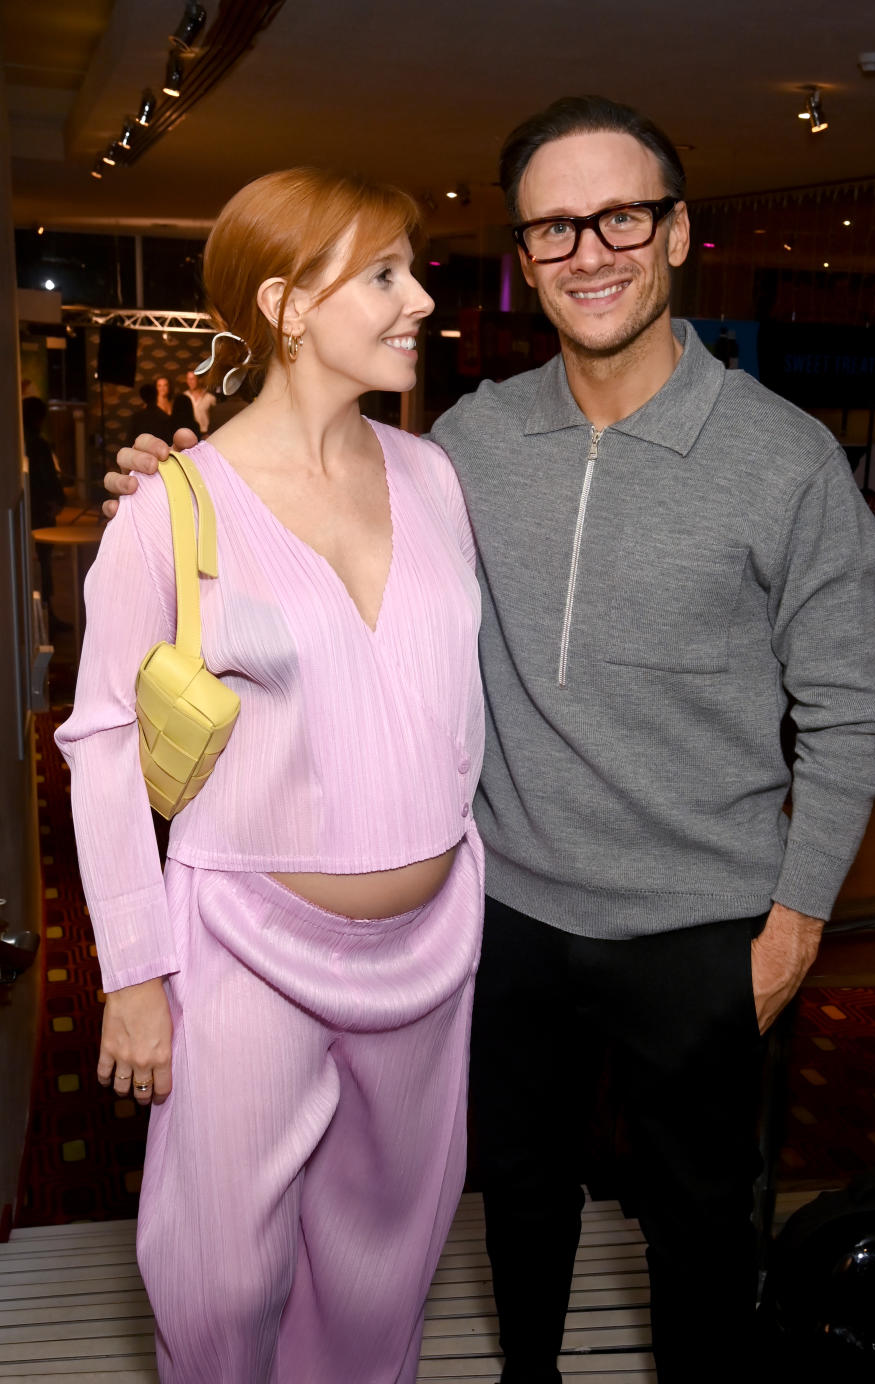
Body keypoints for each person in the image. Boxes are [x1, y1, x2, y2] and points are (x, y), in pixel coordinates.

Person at [106, 95, 875, 1383]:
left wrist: (798, 917)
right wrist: (177, 483)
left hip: (701, 925)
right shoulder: (466, 444)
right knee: (513, 1207)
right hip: (504, 917)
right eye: (554, 228)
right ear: (526, 258)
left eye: (622, 216)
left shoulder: (787, 460)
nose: (591, 250)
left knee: (700, 1226)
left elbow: (856, 707)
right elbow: (317, 498)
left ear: (681, 232)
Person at [61, 166, 484, 1384]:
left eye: (418, 270)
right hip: (242, 938)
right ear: (288, 307)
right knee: (219, 1272)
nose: (420, 303)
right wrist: (135, 972)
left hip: (433, 946)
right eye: (386, 275)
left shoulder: (432, 475)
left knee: (382, 1263)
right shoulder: (170, 508)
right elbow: (97, 742)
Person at [23, 395, 67, 625]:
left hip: (26, 509)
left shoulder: (16, 443)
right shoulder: (39, 445)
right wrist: (58, 500)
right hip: (42, 510)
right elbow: (48, 478)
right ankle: (47, 617)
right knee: (44, 562)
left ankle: (34, 619)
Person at [125, 382, 174, 447]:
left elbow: (129, 441)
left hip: (140, 453)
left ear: (142, 398)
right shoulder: (164, 417)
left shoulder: (136, 417)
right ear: (156, 394)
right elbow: (169, 442)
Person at [183, 367, 217, 435]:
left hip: (206, 434)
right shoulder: (184, 397)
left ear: (199, 380)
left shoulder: (210, 398)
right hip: (190, 434)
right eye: (188, 379)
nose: (190, 381)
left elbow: (216, 419)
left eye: (192, 379)